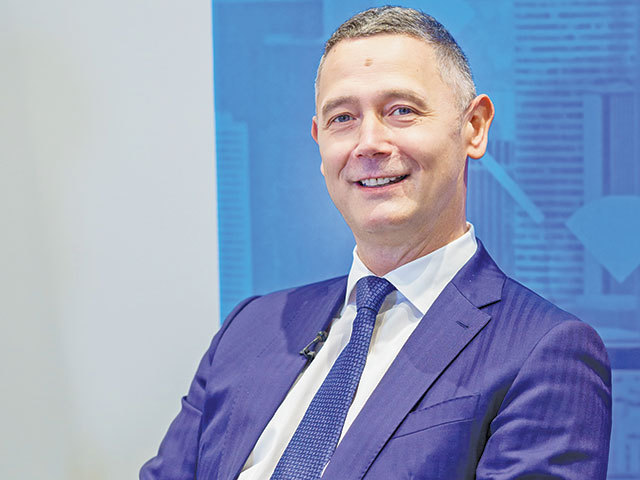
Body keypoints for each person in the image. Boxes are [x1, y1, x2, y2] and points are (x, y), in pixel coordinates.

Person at [141, 6, 611, 479]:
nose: (368, 143)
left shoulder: (544, 352)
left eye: (401, 111)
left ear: (474, 127)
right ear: (319, 140)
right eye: (343, 118)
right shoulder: (250, 329)